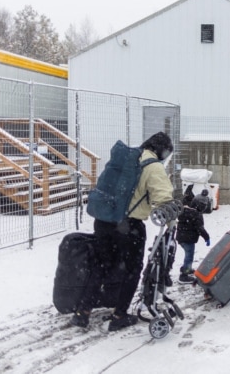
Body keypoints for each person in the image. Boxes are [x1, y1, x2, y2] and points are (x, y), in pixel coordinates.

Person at [70, 132, 176, 332]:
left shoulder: (126, 158)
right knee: (131, 270)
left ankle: (82, 312)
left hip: (103, 221)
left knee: (100, 266)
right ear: (162, 150)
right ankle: (119, 315)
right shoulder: (153, 166)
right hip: (129, 227)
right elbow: (163, 199)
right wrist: (171, 222)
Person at [176, 190, 211, 284]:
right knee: (189, 256)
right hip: (188, 239)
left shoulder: (186, 210)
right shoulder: (196, 214)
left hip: (181, 237)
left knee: (188, 255)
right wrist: (207, 238)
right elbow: (200, 228)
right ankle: (184, 275)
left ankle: (188, 269)